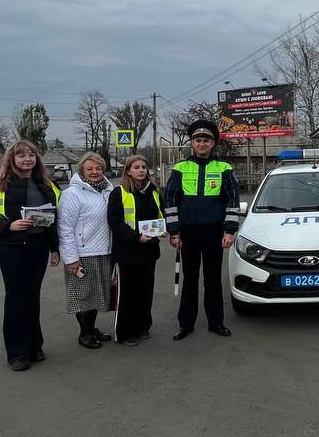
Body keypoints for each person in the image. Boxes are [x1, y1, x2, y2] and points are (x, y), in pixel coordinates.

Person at [0, 141, 61, 371]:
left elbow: (54, 219)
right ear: (12, 159)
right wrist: (9, 226)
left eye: (31, 155)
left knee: (33, 295)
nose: (27, 159)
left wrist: (54, 248)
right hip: (11, 247)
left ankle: (35, 346)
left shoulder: (46, 184)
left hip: (38, 245)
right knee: (16, 296)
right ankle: (17, 353)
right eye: (21, 155)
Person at [165, 119, 241, 340]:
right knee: (189, 280)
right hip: (188, 233)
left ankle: (216, 323)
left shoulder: (224, 168)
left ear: (213, 143)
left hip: (213, 233)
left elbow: (233, 201)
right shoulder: (180, 168)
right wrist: (174, 232)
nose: (201, 144)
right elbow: (170, 201)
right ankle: (185, 324)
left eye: (206, 140)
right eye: (198, 140)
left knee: (212, 280)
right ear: (192, 143)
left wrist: (229, 231)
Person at [57, 152, 114, 350]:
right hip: (83, 253)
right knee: (83, 295)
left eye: (98, 168)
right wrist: (71, 258)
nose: (95, 172)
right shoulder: (72, 194)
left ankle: (92, 328)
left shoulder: (108, 190)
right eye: (90, 169)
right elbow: (64, 227)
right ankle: (85, 333)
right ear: (81, 171)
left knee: (97, 294)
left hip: (104, 250)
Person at [108, 155, 165, 345]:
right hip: (127, 253)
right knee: (128, 295)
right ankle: (125, 332)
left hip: (149, 252)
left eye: (144, 167)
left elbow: (160, 215)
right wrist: (136, 237)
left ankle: (143, 327)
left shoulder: (153, 191)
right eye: (136, 167)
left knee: (145, 292)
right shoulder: (119, 192)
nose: (141, 170)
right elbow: (115, 222)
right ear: (128, 170)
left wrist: (162, 230)